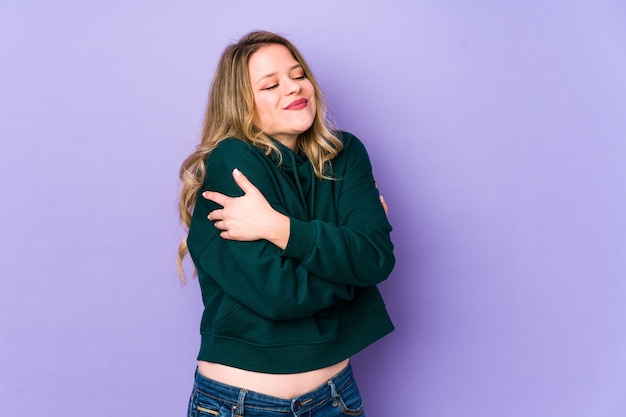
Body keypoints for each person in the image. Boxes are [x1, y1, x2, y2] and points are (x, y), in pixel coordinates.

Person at [178, 30, 395, 417]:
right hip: (240, 404)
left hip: (335, 399)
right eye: (271, 84)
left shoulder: (344, 155)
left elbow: (377, 259)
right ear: (241, 103)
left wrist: (280, 228)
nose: (294, 88)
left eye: (298, 75)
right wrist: (354, 269)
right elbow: (280, 295)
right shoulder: (233, 162)